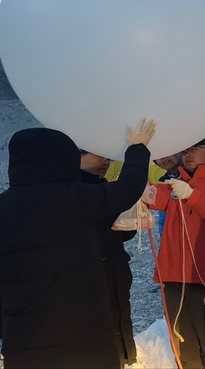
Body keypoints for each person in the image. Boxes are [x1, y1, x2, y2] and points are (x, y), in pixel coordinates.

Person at [0, 119, 156, 369]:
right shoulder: (79, 199)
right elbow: (128, 188)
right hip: (87, 341)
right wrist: (137, 149)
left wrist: (9, 328)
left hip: (26, 345)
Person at [149, 136, 205, 369]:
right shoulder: (175, 183)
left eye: (195, 149)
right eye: (186, 149)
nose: (188, 154)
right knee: (183, 343)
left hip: (204, 276)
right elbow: (148, 196)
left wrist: (192, 195)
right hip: (172, 275)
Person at [79, 149, 138, 367]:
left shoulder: (104, 188)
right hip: (93, 273)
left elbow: (125, 233)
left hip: (114, 267)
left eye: (109, 158)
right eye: (99, 155)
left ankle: (121, 359)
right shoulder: (76, 193)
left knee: (118, 316)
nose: (106, 162)